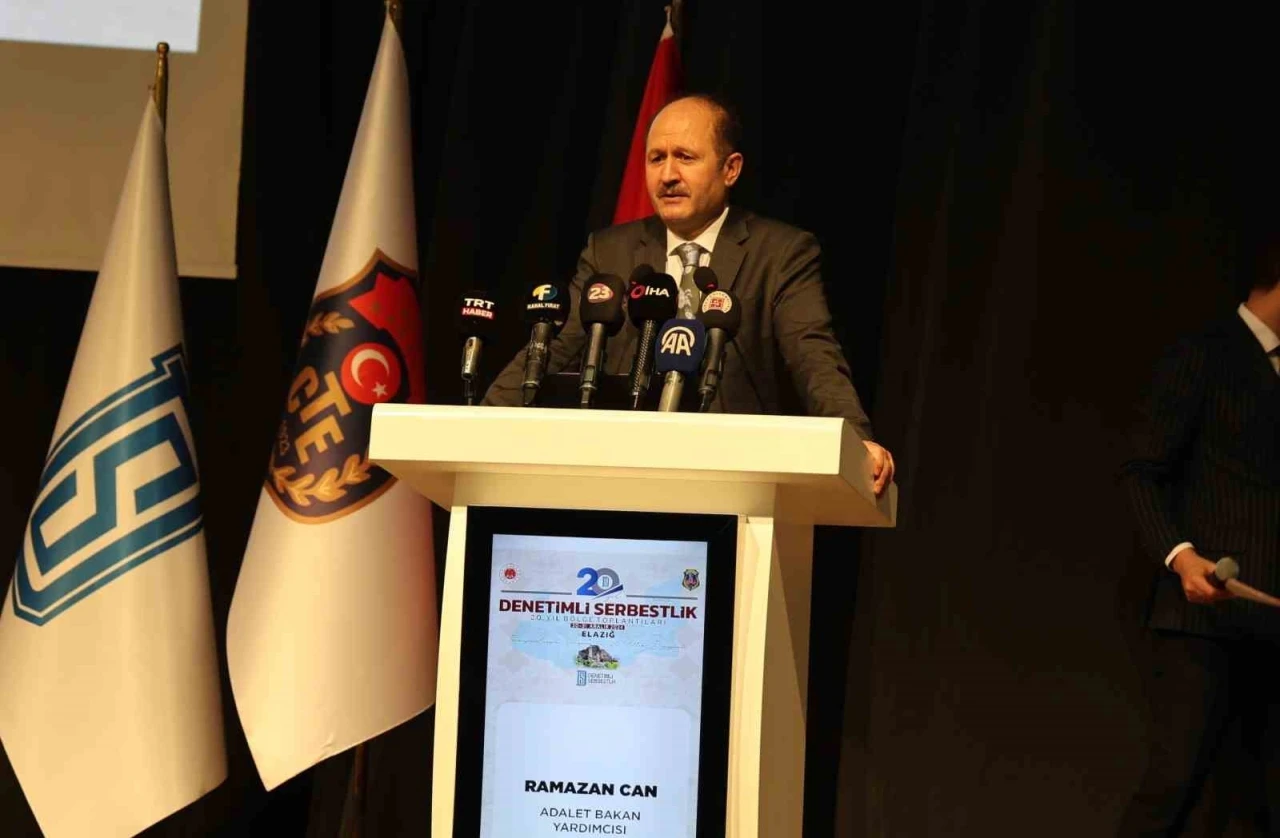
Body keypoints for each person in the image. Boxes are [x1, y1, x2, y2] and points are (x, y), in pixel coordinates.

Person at [482, 93, 894, 494]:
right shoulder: (610, 251)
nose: (667, 175)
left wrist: (856, 440)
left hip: (736, 477)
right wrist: (482, 423)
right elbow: (554, 347)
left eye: (685, 157)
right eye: (656, 158)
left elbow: (812, 353)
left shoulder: (780, 253)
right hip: (620, 469)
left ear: (730, 169)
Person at [1117, 241, 1280, 835]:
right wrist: (1181, 558)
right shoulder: (1205, 353)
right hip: (1203, 621)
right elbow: (1141, 470)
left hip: (1272, 625)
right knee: (1173, 787)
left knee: (1257, 806)